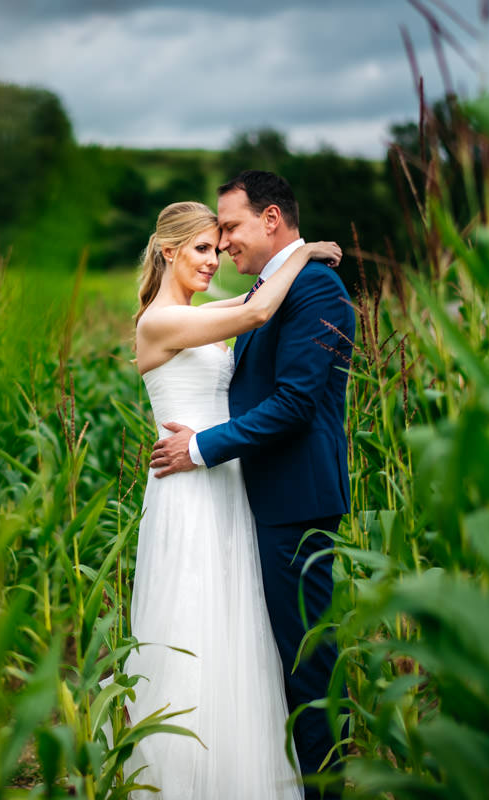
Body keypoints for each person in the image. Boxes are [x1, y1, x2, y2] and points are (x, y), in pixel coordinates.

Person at [124, 198, 341, 798]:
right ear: (168, 250)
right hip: (189, 493)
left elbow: (248, 301)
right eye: (200, 248)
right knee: (196, 623)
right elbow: (258, 311)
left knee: (239, 631)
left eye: (217, 249)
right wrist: (303, 253)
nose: (213, 260)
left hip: (227, 486)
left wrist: (299, 257)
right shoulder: (157, 322)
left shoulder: (194, 313)